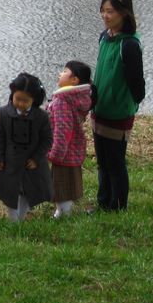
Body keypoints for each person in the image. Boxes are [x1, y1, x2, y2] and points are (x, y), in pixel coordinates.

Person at [92, 0, 145, 212]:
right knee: (103, 161)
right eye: (103, 11)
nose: (105, 16)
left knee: (116, 163)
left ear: (124, 13)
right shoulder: (105, 37)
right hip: (100, 109)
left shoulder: (129, 45)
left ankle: (118, 206)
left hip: (118, 112)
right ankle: (103, 202)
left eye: (110, 11)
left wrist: (127, 104)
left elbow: (137, 84)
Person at [0, 73, 52, 222]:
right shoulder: (4, 112)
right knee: (10, 191)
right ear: (12, 94)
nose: (21, 104)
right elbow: (0, 136)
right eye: (17, 99)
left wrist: (37, 158)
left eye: (26, 101)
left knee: (27, 191)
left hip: (30, 162)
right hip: (10, 160)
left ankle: (21, 216)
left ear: (34, 100)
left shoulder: (42, 117)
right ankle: (13, 220)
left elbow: (47, 139)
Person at [48, 61, 95, 218]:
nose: (60, 74)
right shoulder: (76, 98)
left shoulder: (63, 101)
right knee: (67, 183)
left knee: (62, 185)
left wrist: (56, 153)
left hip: (63, 152)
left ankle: (63, 214)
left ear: (74, 80)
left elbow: (63, 129)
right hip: (73, 149)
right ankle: (62, 211)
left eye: (64, 71)